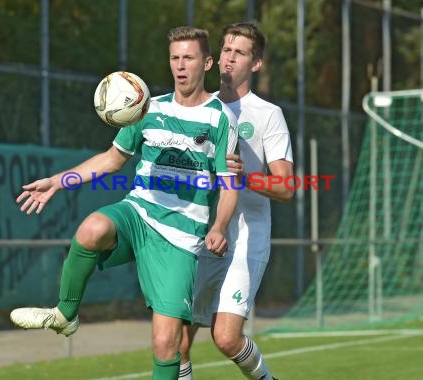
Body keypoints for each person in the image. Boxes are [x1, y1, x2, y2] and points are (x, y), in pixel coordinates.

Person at [9, 26, 239, 380]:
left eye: (188, 58)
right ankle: (65, 314)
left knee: (167, 344)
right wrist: (58, 181)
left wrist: (220, 226)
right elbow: (111, 160)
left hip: (181, 235)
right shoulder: (147, 108)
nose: (180, 65)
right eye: (175, 58)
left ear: (207, 63)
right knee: (91, 229)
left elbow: (228, 185)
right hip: (138, 213)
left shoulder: (221, 118)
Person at [178, 22, 294, 380]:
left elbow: (286, 187)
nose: (230, 58)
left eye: (239, 52)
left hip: (245, 238)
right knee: (175, 342)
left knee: (226, 339)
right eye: (226, 50)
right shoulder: (200, 108)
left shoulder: (267, 114)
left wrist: (243, 178)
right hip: (198, 236)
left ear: (255, 64)